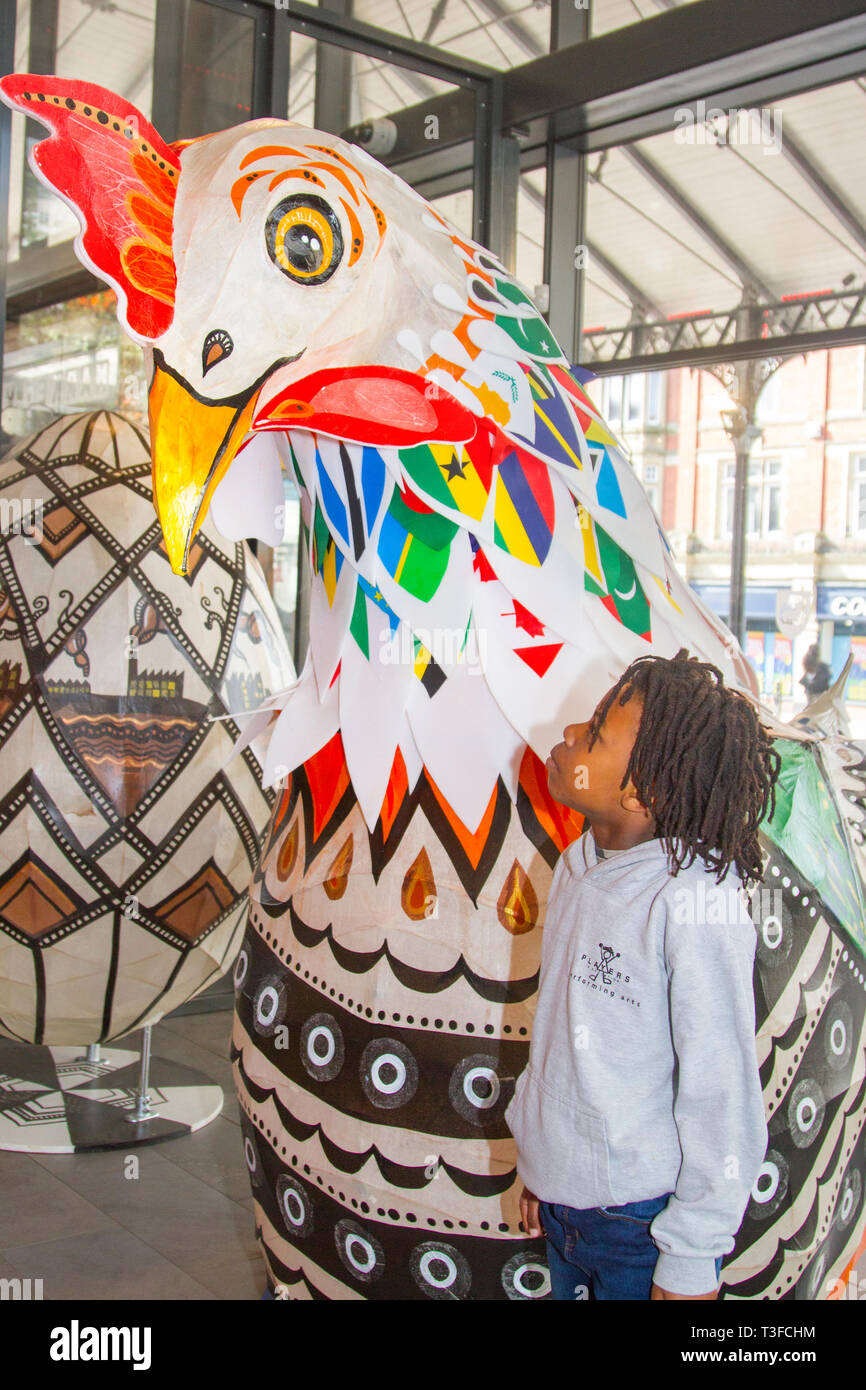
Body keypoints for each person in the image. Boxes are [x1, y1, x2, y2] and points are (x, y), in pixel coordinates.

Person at [505, 649, 780, 1301]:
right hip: (567, 1208)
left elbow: (722, 1095)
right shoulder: (578, 864)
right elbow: (562, 1040)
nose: (571, 732)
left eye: (596, 734)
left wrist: (691, 1258)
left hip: (641, 1226)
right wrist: (545, 1164)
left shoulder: (694, 904)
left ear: (640, 792)